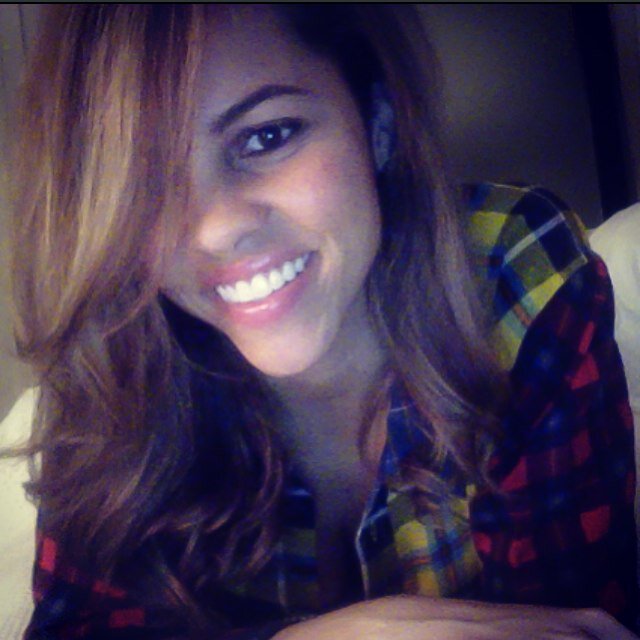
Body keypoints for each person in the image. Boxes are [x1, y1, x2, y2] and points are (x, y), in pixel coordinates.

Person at [8, 4, 637, 639]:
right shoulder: (109, 360)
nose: (215, 229)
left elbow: (578, 622)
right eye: (143, 182)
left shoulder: (514, 269)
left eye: (267, 136)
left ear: (378, 118)